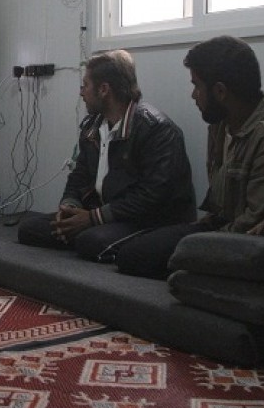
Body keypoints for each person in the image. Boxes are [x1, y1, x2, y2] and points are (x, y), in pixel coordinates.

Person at [114, 35, 264, 278]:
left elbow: (253, 223)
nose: (193, 95)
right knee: (133, 253)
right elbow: (219, 204)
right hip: (220, 225)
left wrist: (199, 243)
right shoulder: (220, 123)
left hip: (249, 240)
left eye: (196, 85)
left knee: (149, 258)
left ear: (220, 91)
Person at [18, 49, 196, 263]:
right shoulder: (92, 126)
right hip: (106, 215)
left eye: (85, 86)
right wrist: (70, 209)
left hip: (149, 220)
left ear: (104, 90)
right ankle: (83, 233)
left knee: (90, 241)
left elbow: (152, 196)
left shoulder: (157, 129)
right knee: (30, 229)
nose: (81, 93)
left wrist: (92, 218)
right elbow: (79, 176)